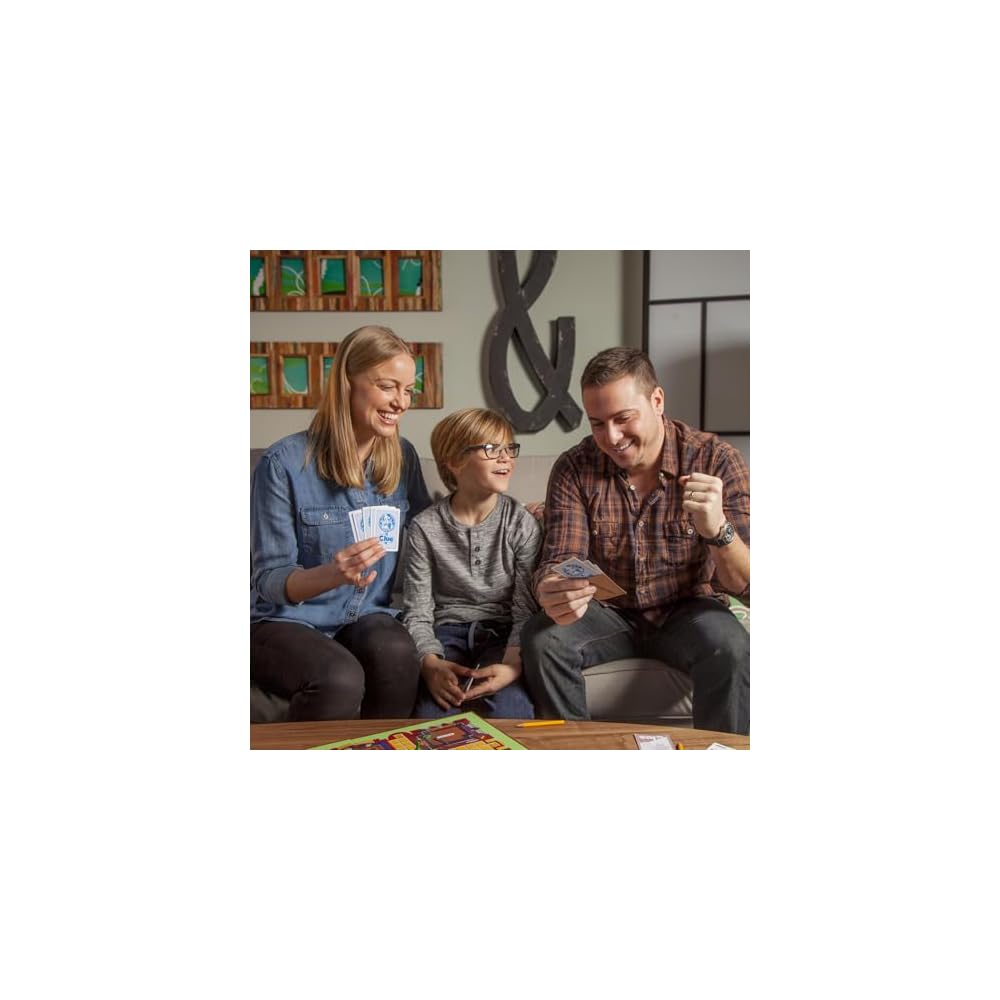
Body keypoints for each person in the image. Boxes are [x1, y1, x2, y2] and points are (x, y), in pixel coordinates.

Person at [519, 347, 750, 734]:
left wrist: (718, 529)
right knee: (542, 639)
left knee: (731, 646)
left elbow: (748, 586)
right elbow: (561, 556)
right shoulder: (575, 467)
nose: (611, 437)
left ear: (657, 401)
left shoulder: (716, 460)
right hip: (609, 613)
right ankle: (572, 755)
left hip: (689, 610)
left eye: (623, 418)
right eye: (597, 423)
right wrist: (552, 588)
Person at [251, 325, 432, 720]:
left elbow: (431, 531)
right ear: (347, 383)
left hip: (366, 615)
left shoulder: (403, 456)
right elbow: (269, 580)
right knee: (339, 678)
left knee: (397, 653)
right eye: (388, 386)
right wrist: (332, 574)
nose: (401, 402)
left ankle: (382, 750)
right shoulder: (282, 463)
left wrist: (507, 511)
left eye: (408, 390)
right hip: (284, 620)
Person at [402, 408, 540, 719]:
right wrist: (430, 663)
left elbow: (525, 610)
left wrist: (512, 666)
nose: (505, 458)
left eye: (509, 448)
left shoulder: (522, 524)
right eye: (491, 449)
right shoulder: (425, 527)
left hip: (503, 634)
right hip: (446, 633)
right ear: (454, 461)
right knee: (429, 716)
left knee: (513, 711)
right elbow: (417, 610)